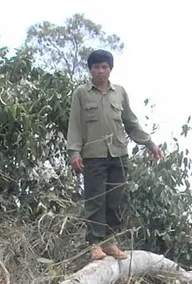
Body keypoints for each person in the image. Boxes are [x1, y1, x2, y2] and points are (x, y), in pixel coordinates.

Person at [67, 49, 163, 261]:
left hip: (118, 154)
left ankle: (109, 242)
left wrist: (150, 143)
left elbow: (131, 122)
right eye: (96, 67)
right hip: (93, 155)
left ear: (110, 69)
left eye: (104, 67)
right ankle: (94, 244)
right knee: (95, 200)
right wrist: (74, 152)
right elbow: (74, 124)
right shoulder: (81, 93)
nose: (100, 71)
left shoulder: (119, 92)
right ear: (90, 70)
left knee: (115, 201)